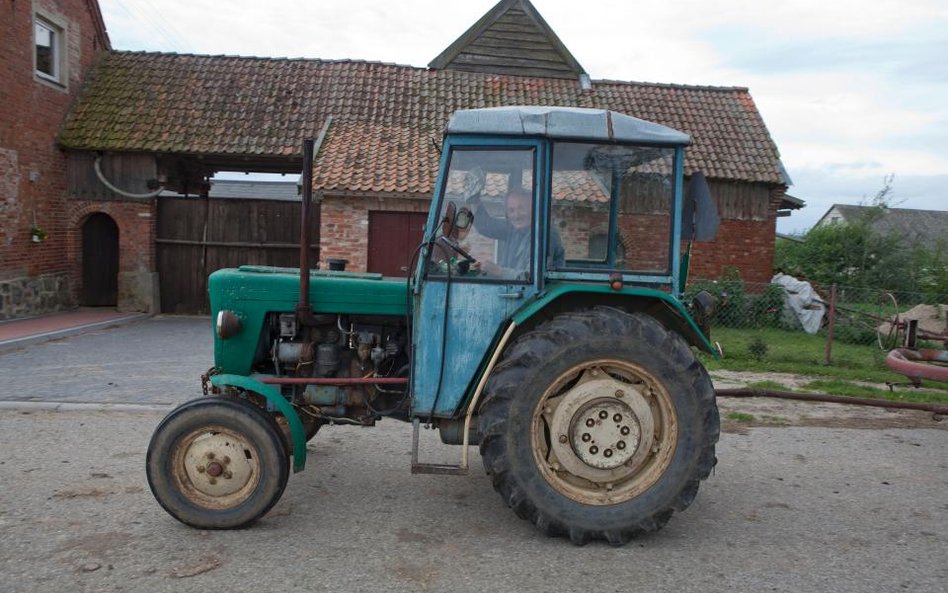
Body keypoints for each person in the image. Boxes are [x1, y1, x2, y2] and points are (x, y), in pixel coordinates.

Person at [472, 187, 564, 279]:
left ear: (534, 208)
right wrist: (474, 198)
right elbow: (485, 225)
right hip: (515, 289)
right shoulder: (514, 229)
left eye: (521, 208)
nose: (516, 215)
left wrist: (498, 271)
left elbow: (532, 277)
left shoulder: (545, 234)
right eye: (511, 210)